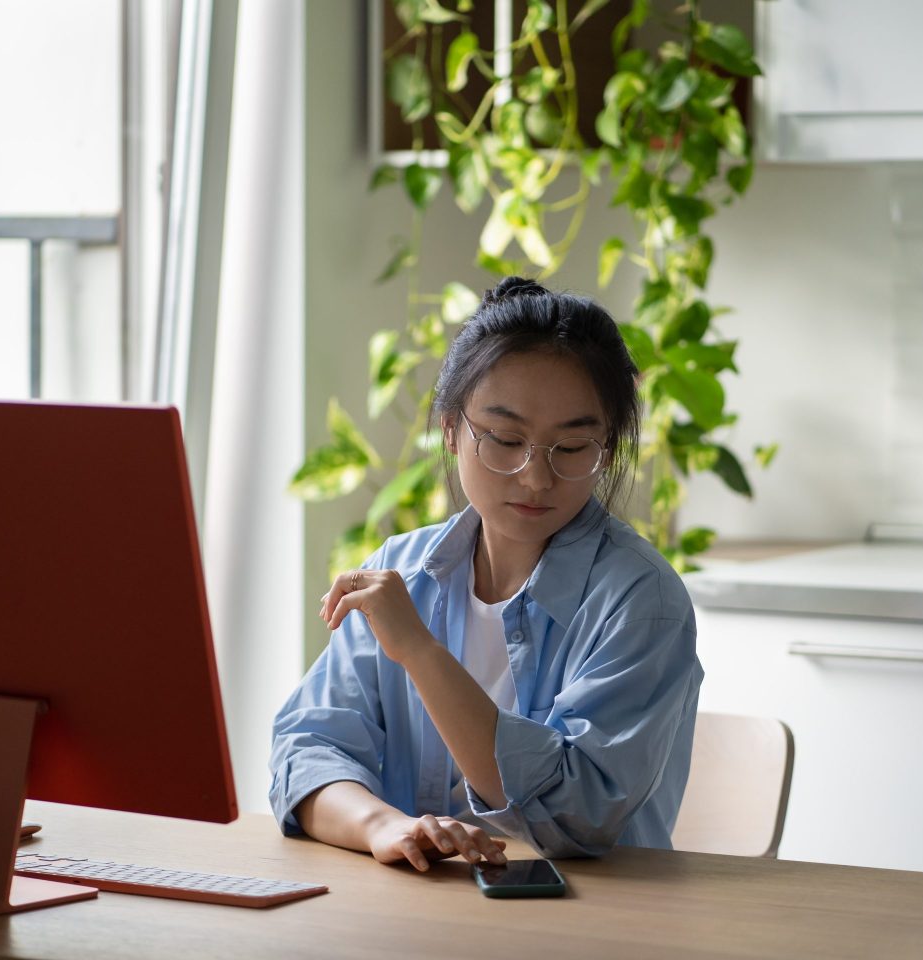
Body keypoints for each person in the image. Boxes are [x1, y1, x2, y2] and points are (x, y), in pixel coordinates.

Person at [268, 277, 702, 870]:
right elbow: (306, 750)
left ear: (608, 447)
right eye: (504, 439)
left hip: (591, 925)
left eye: (572, 448)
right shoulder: (399, 570)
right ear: (451, 429)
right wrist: (385, 827)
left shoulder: (641, 600)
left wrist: (420, 650)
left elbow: (579, 813)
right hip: (414, 917)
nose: (535, 478)